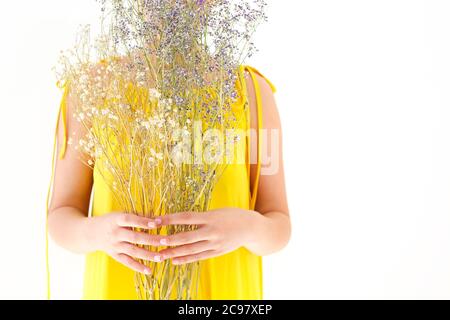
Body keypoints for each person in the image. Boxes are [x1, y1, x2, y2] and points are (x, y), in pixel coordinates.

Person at [47, 54, 290, 299]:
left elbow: (279, 223)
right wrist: (96, 233)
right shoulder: (90, 86)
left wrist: (247, 227)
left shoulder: (251, 91)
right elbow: (61, 214)